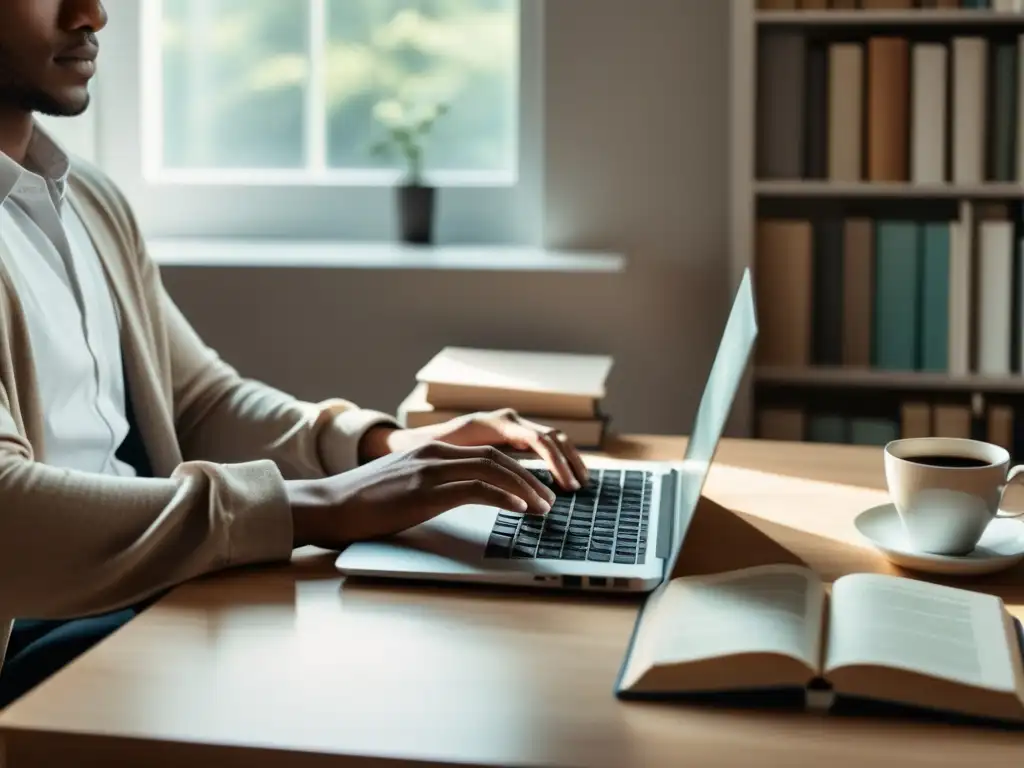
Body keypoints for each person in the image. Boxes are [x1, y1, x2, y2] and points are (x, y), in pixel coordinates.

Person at [0, 0, 589, 709]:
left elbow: (200, 402)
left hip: (139, 595)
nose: (93, 14)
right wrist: (321, 505)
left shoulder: (86, 197)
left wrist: (381, 448)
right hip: (36, 641)